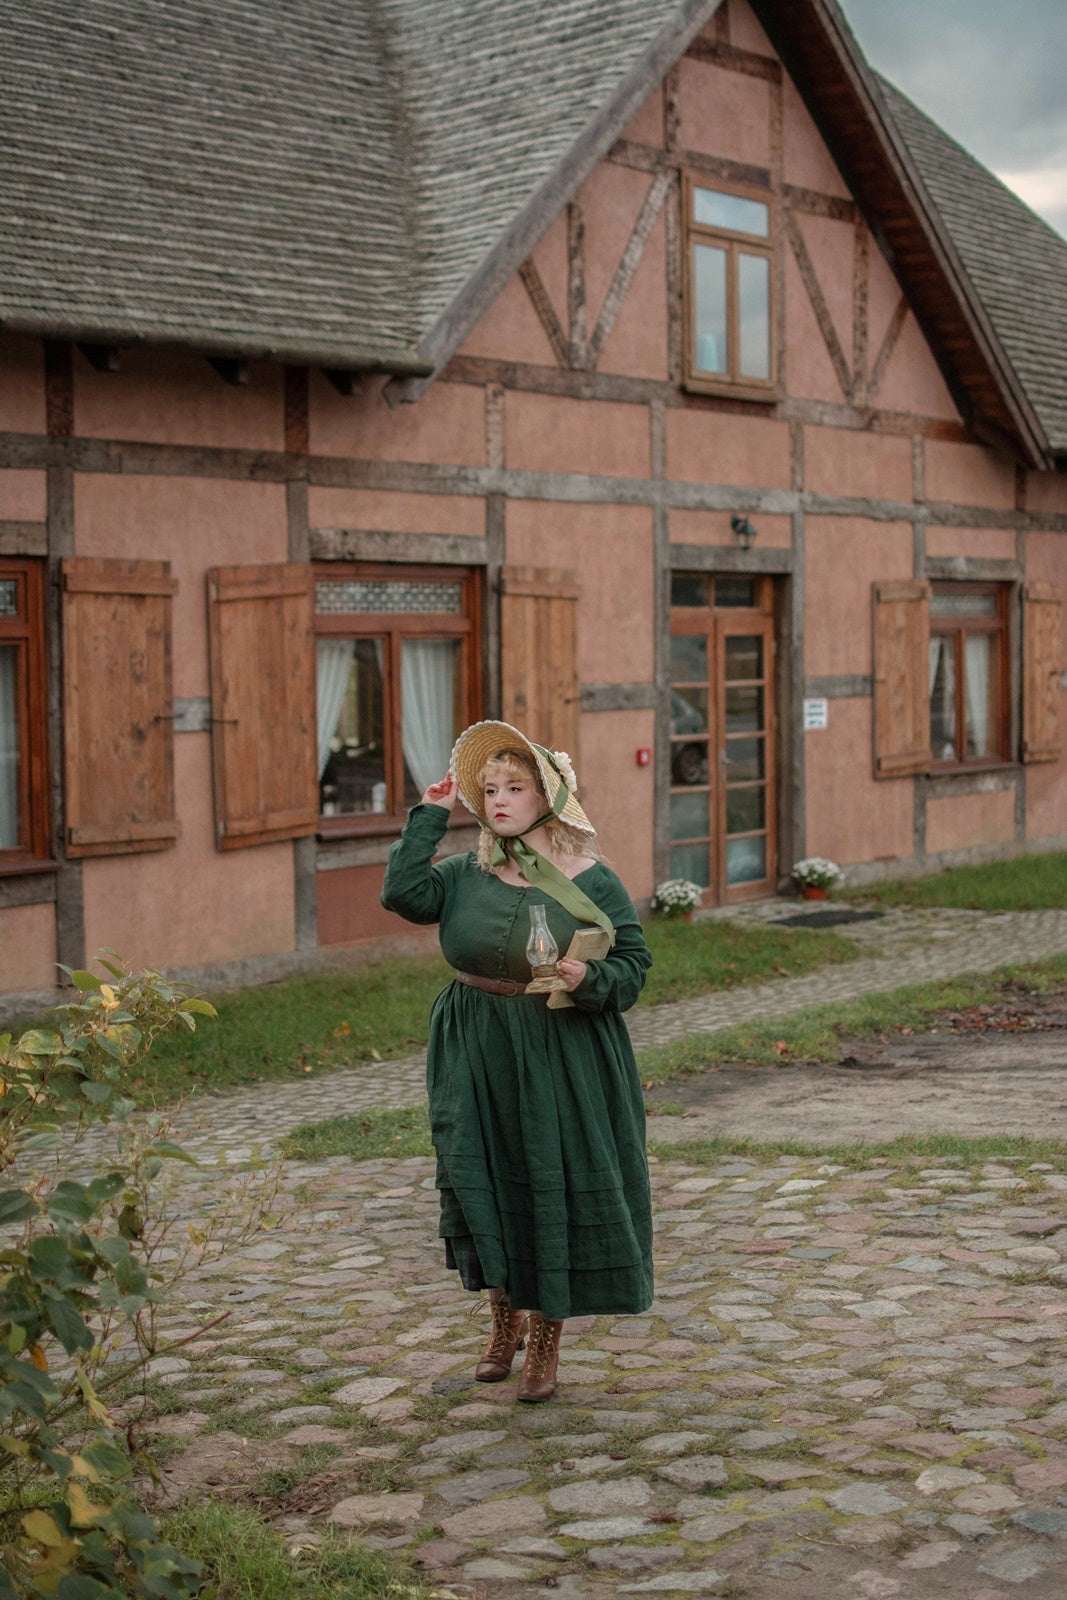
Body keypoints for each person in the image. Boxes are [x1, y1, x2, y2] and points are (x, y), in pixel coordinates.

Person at [380, 720, 654, 1403]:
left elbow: (633, 965)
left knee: (547, 1181)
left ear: (549, 797)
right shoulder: (463, 872)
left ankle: (547, 1334)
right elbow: (401, 896)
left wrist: (587, 980)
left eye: (514, 788)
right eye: (489, 790)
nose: (498, 800)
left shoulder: (593, 879)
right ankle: (503, 1320)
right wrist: (430, 815)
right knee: (479, 1177)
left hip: (560, 1051)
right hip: (473, 1044)